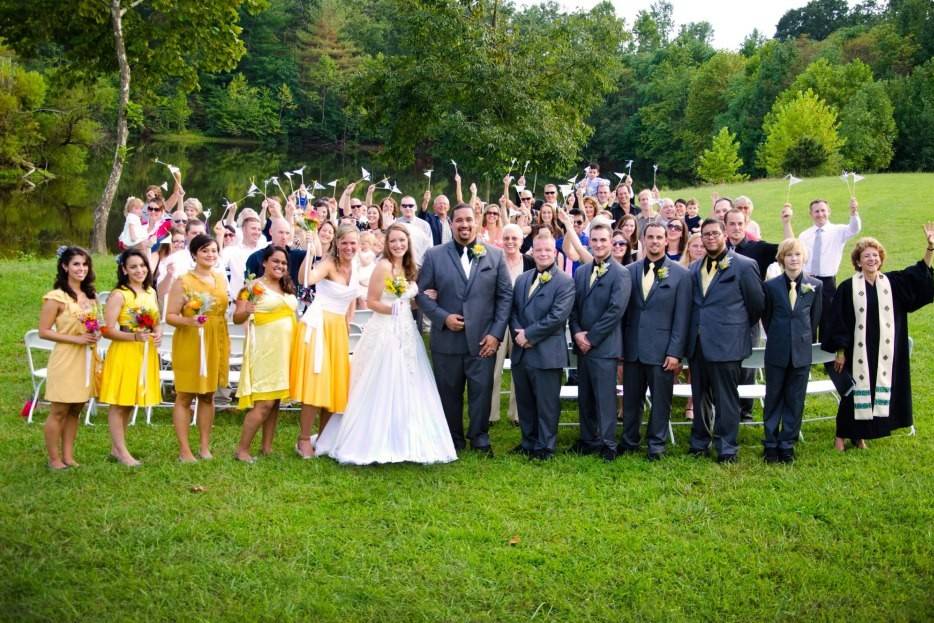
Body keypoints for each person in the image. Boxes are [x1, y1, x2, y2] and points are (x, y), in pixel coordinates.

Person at [315, 224, 457, 465]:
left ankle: (406, 436)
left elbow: (409, 302)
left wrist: (421, 300)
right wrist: (395, 306)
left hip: (406, 329)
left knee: (410, 379)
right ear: (387, 244)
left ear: (407, 243)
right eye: (393, 241)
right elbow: (371, 301)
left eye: (402, 240)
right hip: (384, 330)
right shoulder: (383, 266)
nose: (398, 245)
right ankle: (372, 437)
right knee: (382, 378)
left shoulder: (409, 267)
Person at [822, 227, 934, 451]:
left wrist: (930, 247)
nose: (871, 259)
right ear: (858, 261)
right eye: (866, 256)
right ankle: (841, 436)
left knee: (875, 391)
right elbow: (839, 321)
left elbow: (920, 274)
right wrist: (841, 352)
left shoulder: (893, 283)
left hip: (885, 350)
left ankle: (860, 436)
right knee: (852, 393)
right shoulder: (847, 287)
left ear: (880, 259)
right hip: (857, 351)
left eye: (875, 255)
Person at [416, 203, 513, 454]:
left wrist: (495, 334)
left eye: (469, 220)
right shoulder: (434, 255)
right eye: (459, 220)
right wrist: (442, 317)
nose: (464, 225)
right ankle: (453, 438)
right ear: (451, 223)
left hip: (483, 340)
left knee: (482, 392)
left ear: (476, 222)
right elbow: (422, 295)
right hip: (447, 339)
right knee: (449, 393)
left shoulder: (494, 255)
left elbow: (505, 297)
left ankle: (479, 437)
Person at [687, 218, 764, 463]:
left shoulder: (744, 265)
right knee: (699, 395)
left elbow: (756, 305)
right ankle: (700, 443)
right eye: (706, 234)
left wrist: (734, 329)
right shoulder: (694, 268)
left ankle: (726, 446)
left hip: (727, 343)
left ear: (724, 236)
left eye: (714, 234)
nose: (710, 238)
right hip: (698, 343)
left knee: (726, 398)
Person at [620, 222, 692, 460]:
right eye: (650, 237)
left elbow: (682, 318)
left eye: (659, 237)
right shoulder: (629, 271)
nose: (654, 241)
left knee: (661, 401)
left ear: (666, 240)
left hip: (662, 352)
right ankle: (629, 440)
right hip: (633, 348)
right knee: (631, 399)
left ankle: (656, 444)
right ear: (642, 239)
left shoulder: (681, 275)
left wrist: (675, 352)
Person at [291, 225, 360, 459]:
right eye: (345, 243)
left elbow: (351, 297)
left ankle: (323, 438)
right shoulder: (328, 264)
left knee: (334, 385)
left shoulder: (356, 265)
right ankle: (302, 439)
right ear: (337, 244)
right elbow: (306, 280)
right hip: (319, 327)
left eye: (353, 243)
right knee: (316, 382)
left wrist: (348, 321)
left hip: (338, 329)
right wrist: (310, 252)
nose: (349, 247)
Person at [509, 231, 576, 460]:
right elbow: (514, 310)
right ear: (532, 252)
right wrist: (519, 334)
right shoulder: (522, 279)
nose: (543, 254)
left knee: (547, 404)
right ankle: (528, 441)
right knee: (525, 400)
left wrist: (529, 334)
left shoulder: (565, 282)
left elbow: (557, 317)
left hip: (546, 352)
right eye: (539, 250)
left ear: (555, 252)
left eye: (548, 250)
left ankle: (545, 446)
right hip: (521, 351)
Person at [568, 222, 632, 461]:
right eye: (594, 240)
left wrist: (591, 338)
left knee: (605, 398)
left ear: (612, 243)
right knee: (585, 395)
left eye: (603, 240)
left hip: (604, 347)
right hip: (582, 345)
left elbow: (615, 311)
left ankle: (608, 443)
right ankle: (587, 439)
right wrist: (576, 333)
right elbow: (573, 308)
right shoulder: (582, 272)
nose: (598, 244)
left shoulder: (621, 274)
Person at [166, 234, 230, 463]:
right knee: (185, 395)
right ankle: (185, 450)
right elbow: (170, 316)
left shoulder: (221, 278)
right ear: (194, 254)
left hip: (215, 337)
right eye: (205, 251)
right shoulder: (184, 280)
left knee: (207, 394)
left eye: (213, 250)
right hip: (191, 338)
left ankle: (204, 446)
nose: (210, 255)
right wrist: (189, 321)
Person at [232, 246, 298, 463]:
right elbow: (237, 318)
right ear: (264, 262)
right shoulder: (251, 286)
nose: (280, 266)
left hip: (286, 348)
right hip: (265, 349)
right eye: (276, 261)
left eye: (284, 263)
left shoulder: (286, 286)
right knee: (264, 403)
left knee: (276, 400)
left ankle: (266, 447)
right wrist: (246, 310)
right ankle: (242, 449)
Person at [38, 247, 101, 470]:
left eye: (84, 264)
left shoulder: (91, 296)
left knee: (76, 408)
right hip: (66, 358)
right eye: (76, 264)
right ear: (65, 266)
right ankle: (54, 458)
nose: (81, 269)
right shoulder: (56, 297)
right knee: (59, 410)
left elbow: (95, 324)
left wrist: (96, 333)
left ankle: (68, 455)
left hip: (86, 358)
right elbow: (44, 331)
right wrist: (75, 340)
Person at [99, 249, 162, 467]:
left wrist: (158, 332)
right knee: (119, 401)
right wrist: (133, 335)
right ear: (124, 269)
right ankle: (121, 451)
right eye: (133, 266)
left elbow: (156, 321)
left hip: (145, 351)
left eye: (142, 266)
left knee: (130, 401)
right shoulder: (119, 294)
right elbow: (106, 329)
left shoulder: (150, 292)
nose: (139, 270)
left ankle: (118, 448)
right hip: (125, 350)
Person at [761, 239, 823, 463]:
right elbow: (766, 318)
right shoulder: (770, 286)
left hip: (801, 351)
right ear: (782, 259)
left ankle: (787, 443)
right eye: (789, 255)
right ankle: (770, 443)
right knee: (773, 396)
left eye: (797, 254)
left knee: (795, 399)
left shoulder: (815, 285)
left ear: (803, 257)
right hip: (777, 350)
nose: (794, 259)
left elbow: (815, 318)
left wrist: (802, 338)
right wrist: (780, 335)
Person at [490, 224, 535, 424]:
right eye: (506, 238)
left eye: (514, 238)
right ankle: (491, 413)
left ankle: (516, 414)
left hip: (521, 322)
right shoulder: (493, 260)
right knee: (493, 367)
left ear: (521, 241)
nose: (510, 242)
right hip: (497, 320)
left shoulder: (530, 262)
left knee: (519, 367)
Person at [799, 198, 862, 339]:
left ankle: (827, 357)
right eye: (816, 211)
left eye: (823, 210)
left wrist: (853, 213)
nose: (820, 214)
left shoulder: (838, 231)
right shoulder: (805, 235)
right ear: (811, 214)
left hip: (827, 281)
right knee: (807, 317)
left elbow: (854, 228)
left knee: (827, 318)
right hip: (808, 280)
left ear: (829, 212)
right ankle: (808, 356)